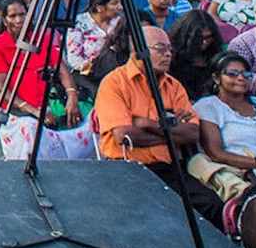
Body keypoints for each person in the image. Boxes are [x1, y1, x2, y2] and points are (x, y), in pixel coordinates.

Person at [93, 25, 224, 228]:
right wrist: (170, 130)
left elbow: (192, 133)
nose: (168, 55)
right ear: (138, 49)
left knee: (212, 206)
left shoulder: (174, 85)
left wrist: (145, 124)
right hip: (127, 168)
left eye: (170, 49)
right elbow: (124, 135)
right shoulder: (114, 83)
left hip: (170, 168)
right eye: (161, 48)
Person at [188, 52, 256, 202]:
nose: (241, 78)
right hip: (233, 169)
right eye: (232, 74)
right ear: (216, 78)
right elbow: (216, 153)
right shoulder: (208, 106)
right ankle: (245, 199)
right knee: (199, 163)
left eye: (246, 74)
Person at [0, 0, 83, 139]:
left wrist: (72, 96)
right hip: (15, 110)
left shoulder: (41, 40)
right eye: (13, 16)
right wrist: (34, 111)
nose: (19, 20)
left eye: (22, 14)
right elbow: (0, 88)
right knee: (32, 130)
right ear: (5, 21)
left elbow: (62, 69)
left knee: (85, 121)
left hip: (48, 105)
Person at [65, 0, 123, 81]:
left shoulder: (119, 22)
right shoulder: (79, 24)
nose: (120, 7)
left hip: (117, 73)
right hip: (88, 76)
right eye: (114, 3)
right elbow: (74, 59)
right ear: (99, 7)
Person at [167, 10, 224, 102]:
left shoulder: (215, 56)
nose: (205, 42)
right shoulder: (172, 58)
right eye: (199, 38)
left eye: (208, 37)